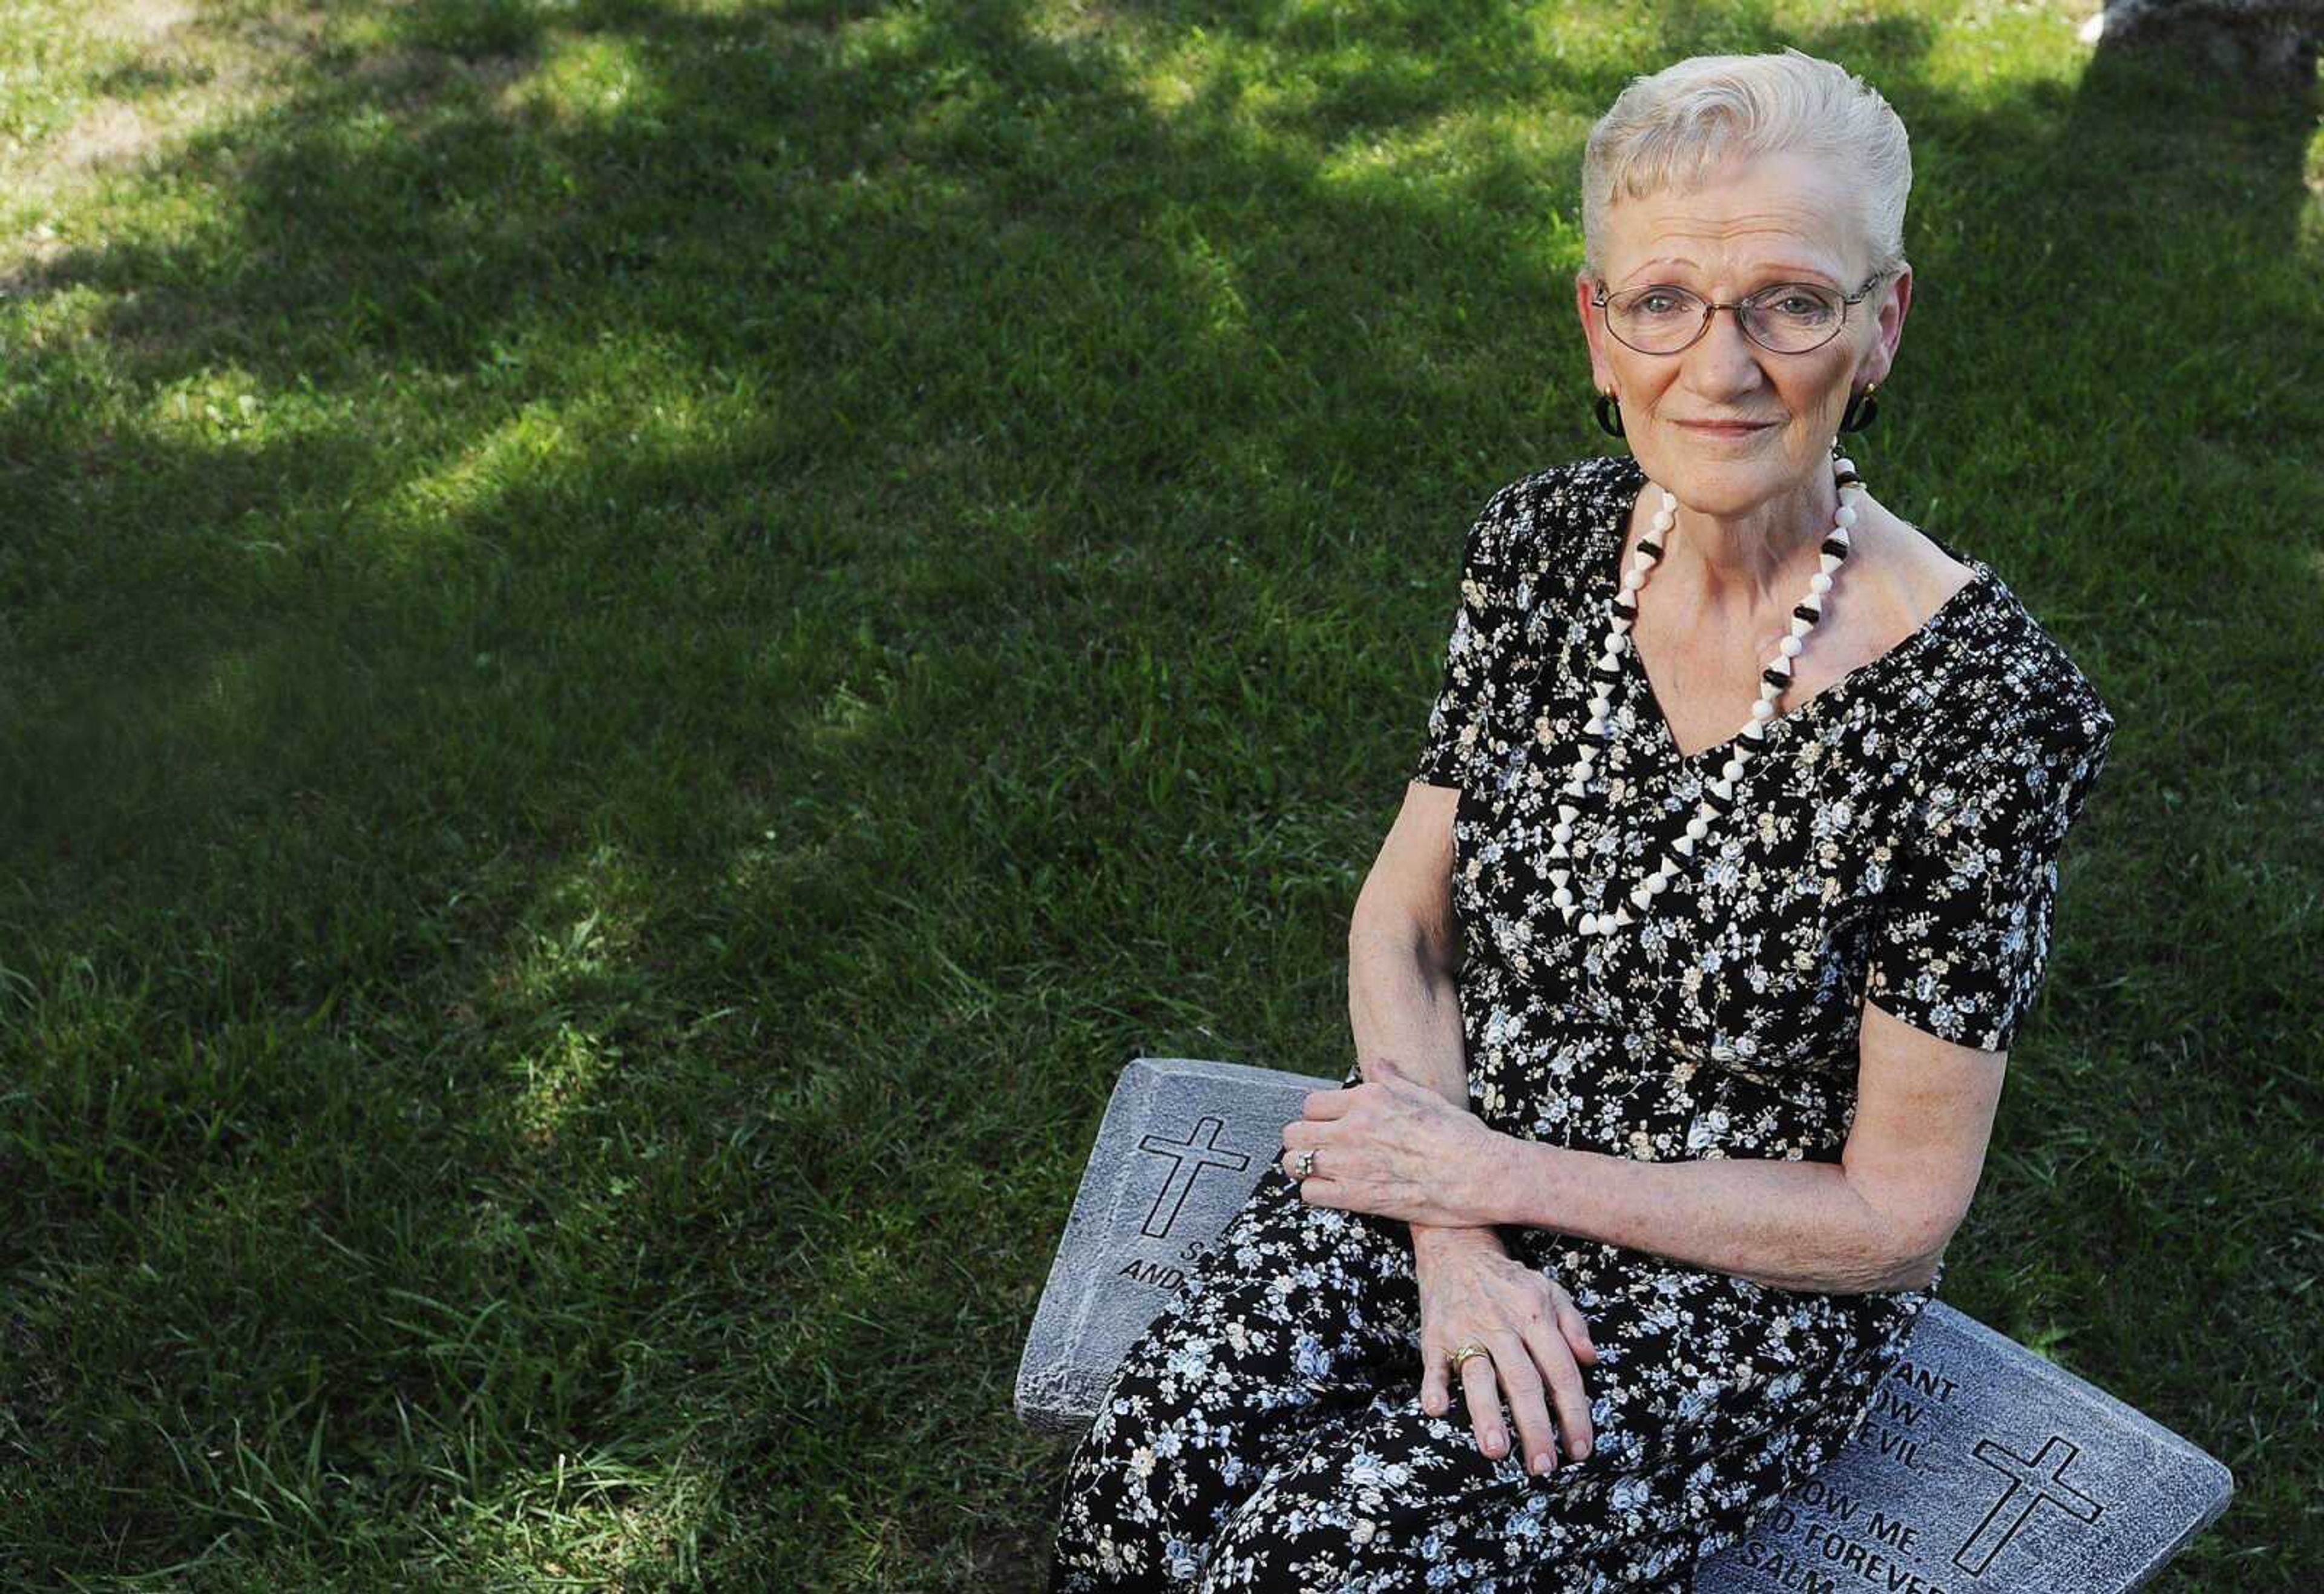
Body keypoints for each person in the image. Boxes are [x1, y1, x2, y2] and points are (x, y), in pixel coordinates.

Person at [1047, 46, 2118, 1592]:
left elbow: (1896, 1219)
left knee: (1313, 1567)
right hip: (1450, 1146)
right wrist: (1451, 1226)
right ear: (1598, 331)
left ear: (1881, 328)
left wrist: (1499, 1184)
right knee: (1140, 1485)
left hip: (1730, 1279)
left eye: (1792, 303)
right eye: (1664, 300)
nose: (1723, 365)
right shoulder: (1542, 549)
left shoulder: (1991, 717)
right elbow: (1402, 926)